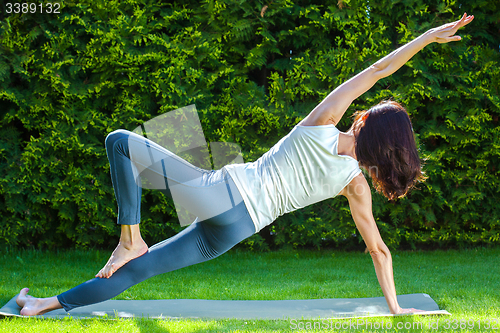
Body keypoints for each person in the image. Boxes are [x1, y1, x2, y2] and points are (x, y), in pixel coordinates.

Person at [16, 13, 474, 316]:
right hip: (238, 228)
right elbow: (379, 250)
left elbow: (377, 69)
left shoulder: (324, 122)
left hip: (225, 192)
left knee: (119, 143)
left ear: (367, 121)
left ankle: (129, 239)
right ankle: (39, 307)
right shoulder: (356, 185)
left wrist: (427, 38)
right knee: (142, 273)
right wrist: (394, 308)